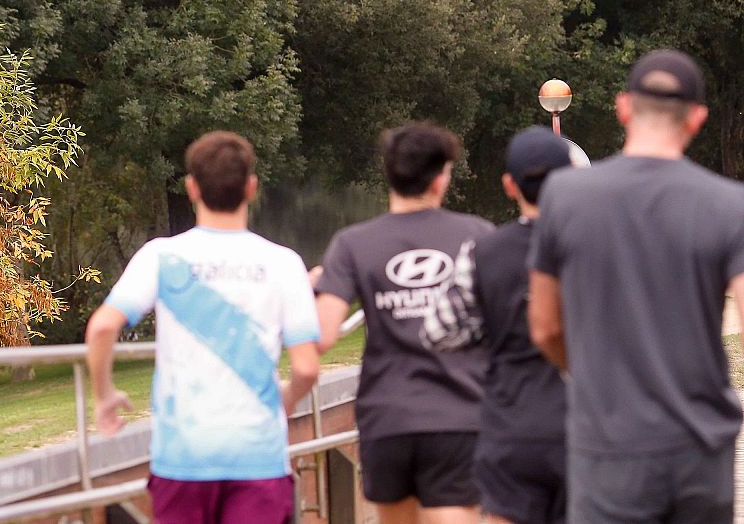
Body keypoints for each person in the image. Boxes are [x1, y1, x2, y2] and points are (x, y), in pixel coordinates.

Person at [529, 50, 744, 523]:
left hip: (607, 444)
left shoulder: (564, 198)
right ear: (698, 118)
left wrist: (592, 376)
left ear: (624, 107)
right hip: (700, 446)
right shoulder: (729, 205)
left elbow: (544, 326)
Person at [86, 131, 321, 524]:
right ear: (251, 187)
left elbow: (101, 329)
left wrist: (104, 394)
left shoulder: (161, 256)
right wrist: (289, 399)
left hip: (183, 458)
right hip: (258, 459)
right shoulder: (284, 263)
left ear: (192, 188)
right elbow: (307, 367)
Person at [312, 123, 491, 524]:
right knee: (456, 513)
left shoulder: (352, 243)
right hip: (460, 413)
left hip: (387, 416)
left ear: (388, 172)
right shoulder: (477, 235)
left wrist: (310, 288)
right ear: (442, 176)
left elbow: (323, 335)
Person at [421, 127, 577, 524]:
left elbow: (438, 331)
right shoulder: (596, 245)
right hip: (586, 426)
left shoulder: (482, 250)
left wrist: (491, 325)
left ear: (510, 185)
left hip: (513, 424)